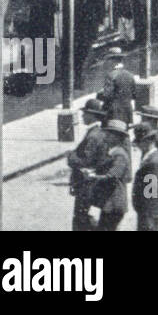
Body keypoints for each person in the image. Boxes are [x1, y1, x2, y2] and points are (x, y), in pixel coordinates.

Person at [67, 98, 114, 231]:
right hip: (89, 184)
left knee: (80, 219)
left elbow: (86, 160)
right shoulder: (97, 133)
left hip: (86, 185)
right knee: (83, 219)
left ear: (92, 115)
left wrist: (71, 157)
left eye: (85, 113)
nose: (82, 115)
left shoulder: (93, 136)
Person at [86, 118, 131, 231]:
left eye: (109, 134)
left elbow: (113, 176)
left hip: (114, 204)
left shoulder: (120, 155)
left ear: (116, 137)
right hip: (109, 203)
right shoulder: (112, 152)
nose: (106, 136)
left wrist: (93, 177)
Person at [131, 122, 158, 231]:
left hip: (148, 212)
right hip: (147, 212)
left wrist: (147, 218)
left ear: (148, 141)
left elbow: (151, 193)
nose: (138, 146)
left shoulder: (153, 162)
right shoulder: (150, 158)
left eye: (139, 142)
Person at [100, 47, 137, 125]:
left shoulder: (111, 76)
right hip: (127, 113)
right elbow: (134, 95)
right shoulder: (130, 75)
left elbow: (107, 95)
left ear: (112, 61)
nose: (106, 63)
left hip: (113, 114)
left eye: (108, 60)